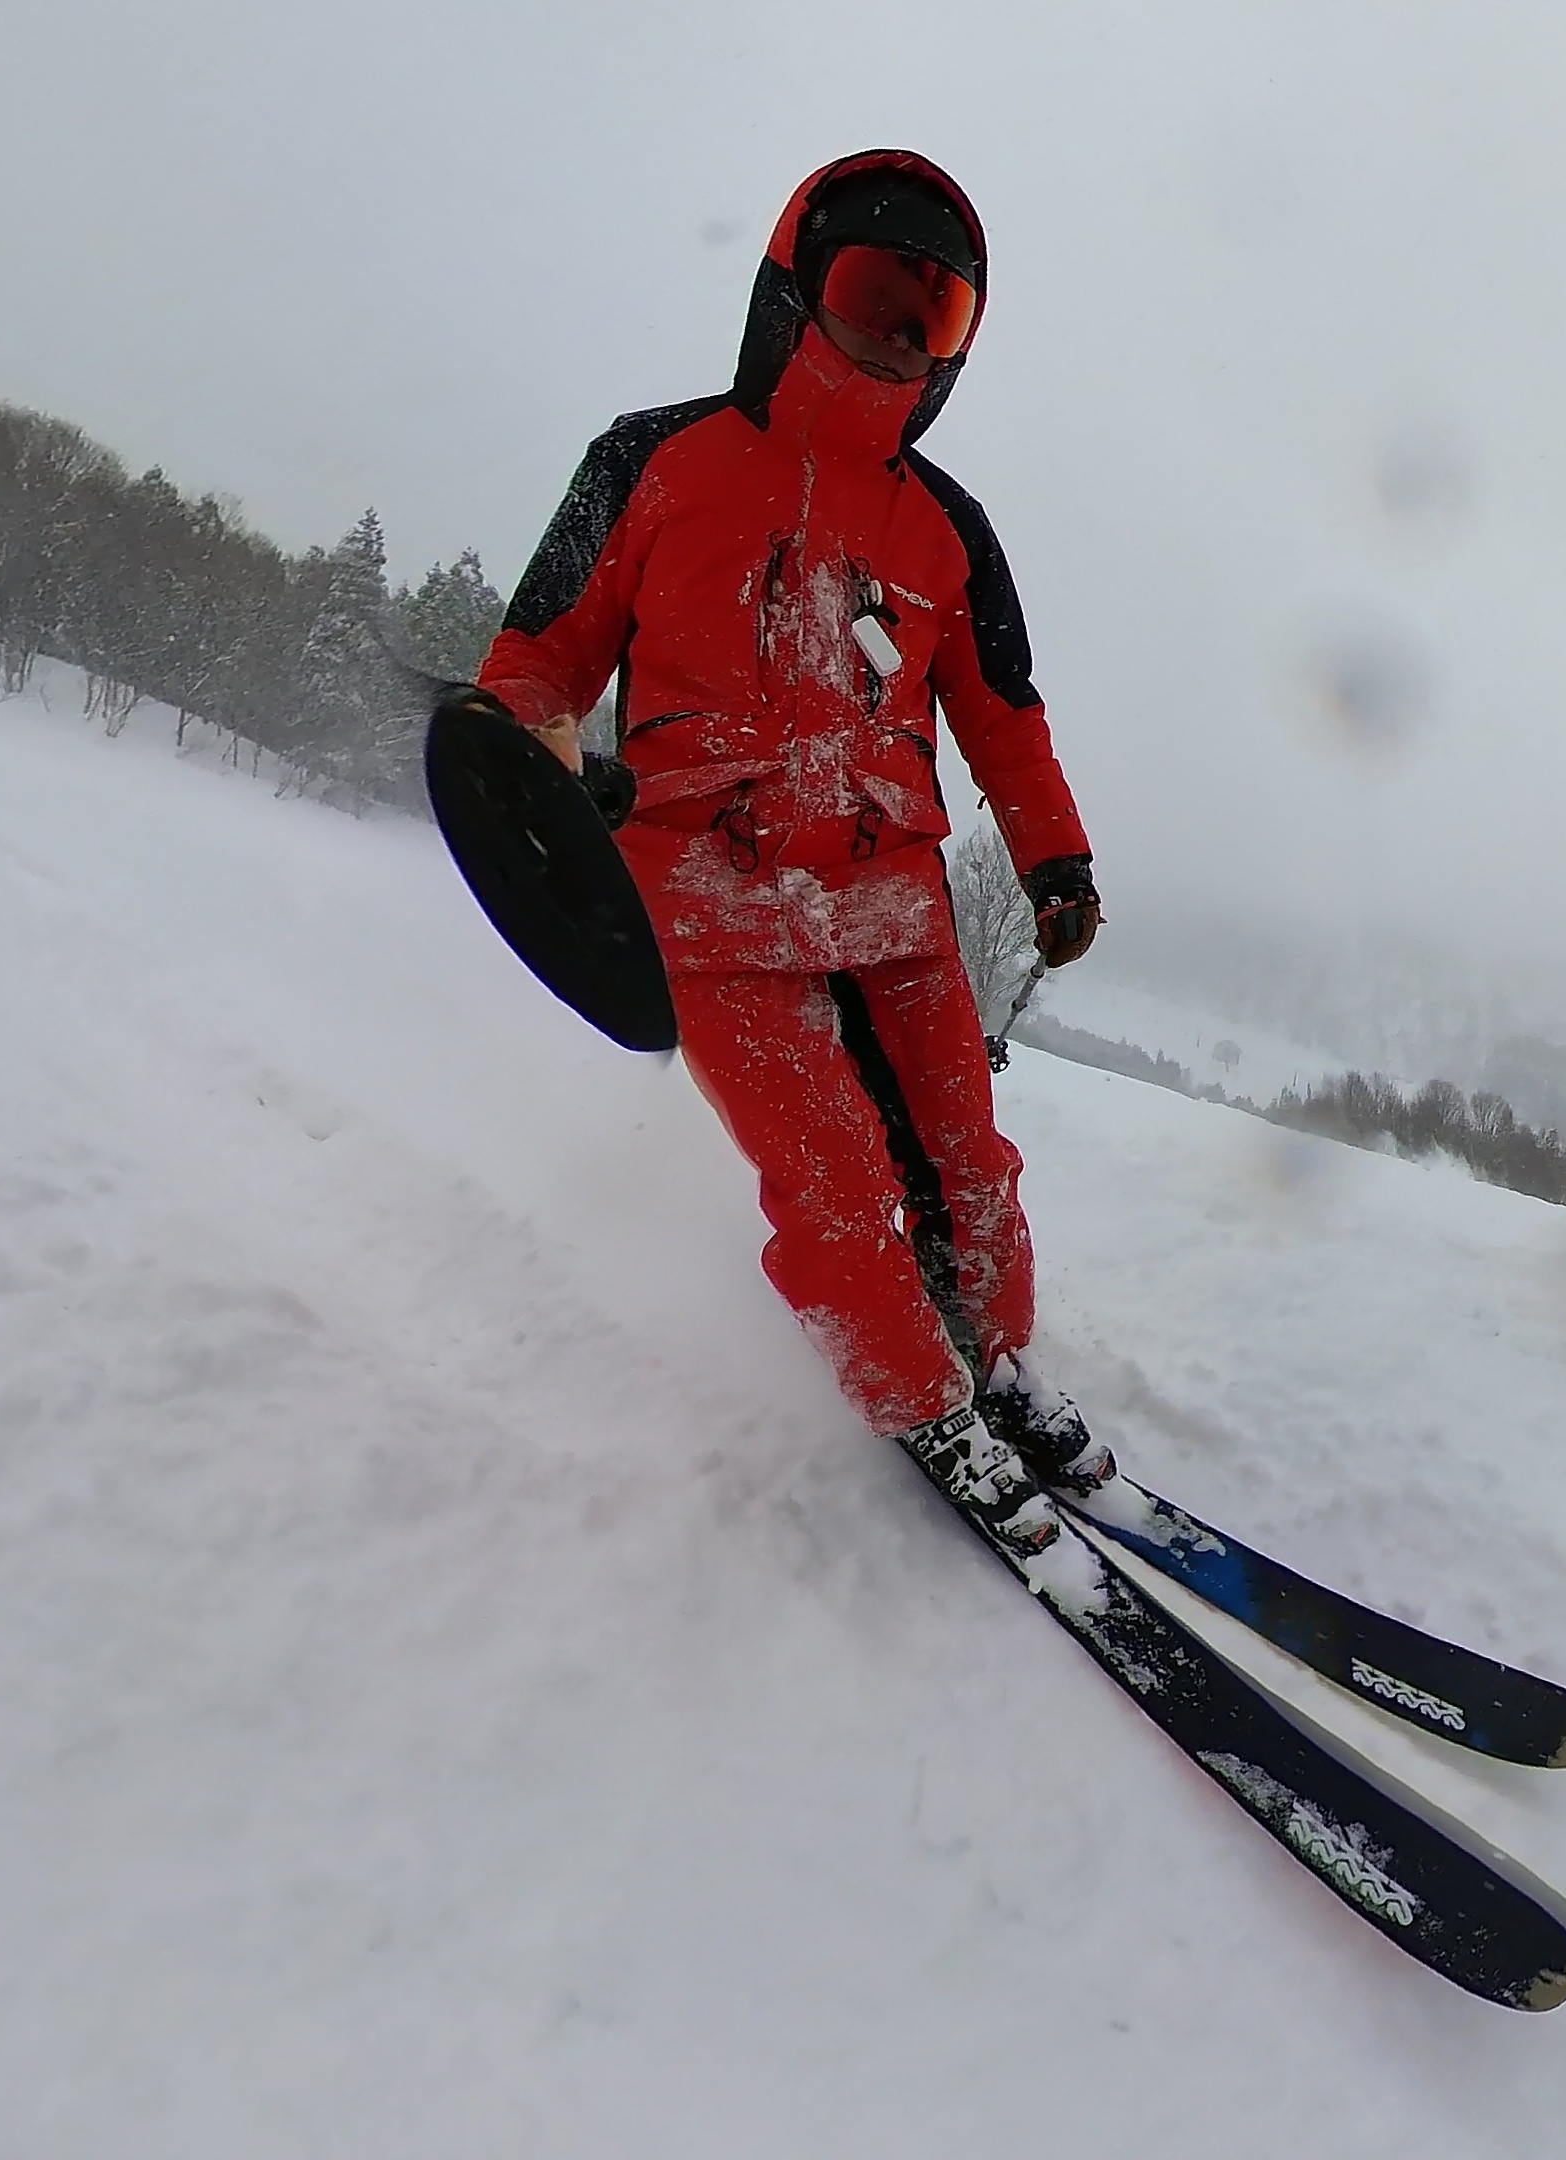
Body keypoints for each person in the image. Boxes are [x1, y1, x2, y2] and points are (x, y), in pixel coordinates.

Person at [449, 150, 1109, 1551]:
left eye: (932, 318)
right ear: (795, 287)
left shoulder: (951, 529)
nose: (895, 338)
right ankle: (923, 1404)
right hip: (706, 900)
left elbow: (1003, 712)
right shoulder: (648, 460)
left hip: (894, 903)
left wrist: (1055, 858)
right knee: (837, 1184)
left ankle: (994, 1360)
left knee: (969, 1164)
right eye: (871, 294)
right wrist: (533, 756)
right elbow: (537, 661)